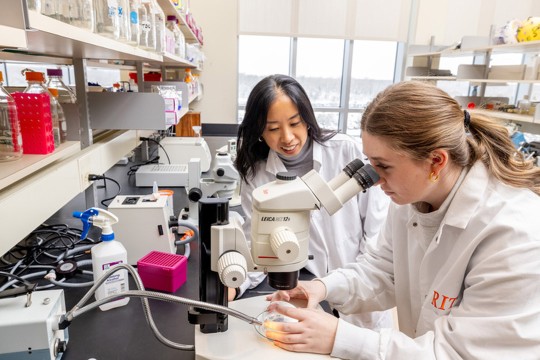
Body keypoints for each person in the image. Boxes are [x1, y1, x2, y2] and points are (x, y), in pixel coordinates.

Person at [263, 81, 540, 359]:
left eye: (383, 166)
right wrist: (322, 287)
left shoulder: (513, 234)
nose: (374, 179)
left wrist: (338, 337)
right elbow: (383, 271)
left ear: (436, 162)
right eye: (371, 163)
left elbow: (457, 354)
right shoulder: (411, 199)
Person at [233, 74, 392, 330]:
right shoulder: (257, 174)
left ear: (307, 119)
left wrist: (354, 281)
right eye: (273, 128)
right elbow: (258, 243)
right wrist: (235, 284)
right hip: (305, 286)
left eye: (294, 123)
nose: (287, 137)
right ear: (259, 131)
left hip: (361, 289)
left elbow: (377, 231)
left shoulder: (346, 151)